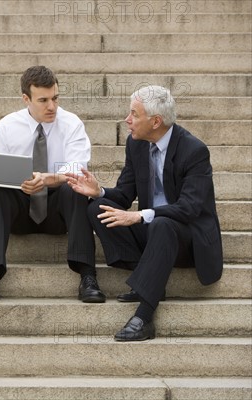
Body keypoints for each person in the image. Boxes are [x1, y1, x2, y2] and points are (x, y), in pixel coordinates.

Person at [66, 85, 223, 341]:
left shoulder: (194, 151)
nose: (127, 120)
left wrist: (140, 215)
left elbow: (189, 208)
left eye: (134, 114)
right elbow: (125, 195)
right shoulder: (136, 144)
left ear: (155, 121)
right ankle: (149, 275)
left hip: (188, 237)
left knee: (162, 223)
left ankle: (144, 316)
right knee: (97, 209)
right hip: (154, 234)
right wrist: (99, 192)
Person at [0, 66, 106, 304]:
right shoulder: (8, 125)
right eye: (43, 100)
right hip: (21, 207)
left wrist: (48, 178)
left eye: (55, 98)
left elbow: (78, 168)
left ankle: (88, 276)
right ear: (26, 99)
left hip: (57, 210)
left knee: (75, 190)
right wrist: (20, 183)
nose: (51, 106)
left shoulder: (71, 123)